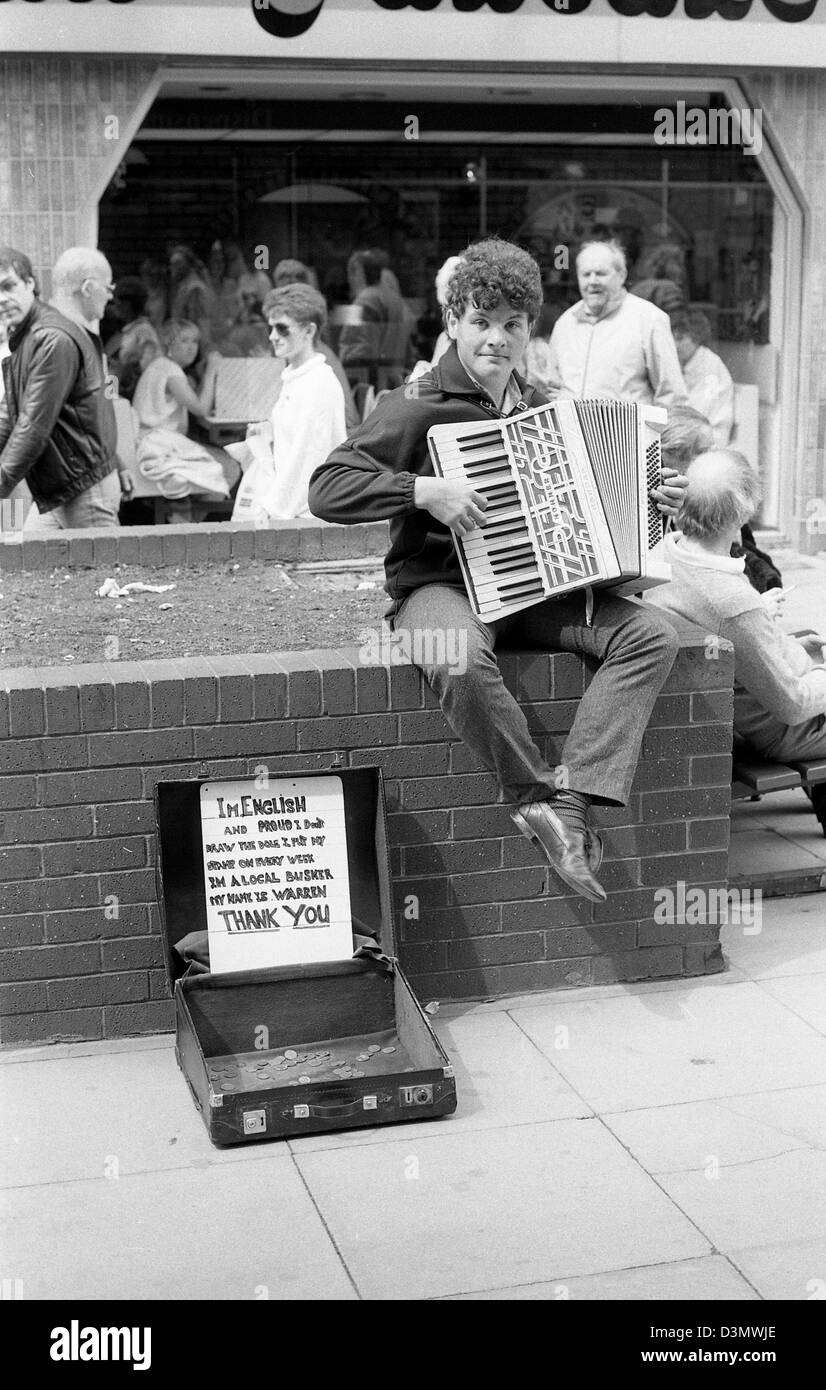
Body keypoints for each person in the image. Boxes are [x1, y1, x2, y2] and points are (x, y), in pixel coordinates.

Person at [309, 238, 688, 903]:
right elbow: (326, 487)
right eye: (481, 321)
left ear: (529, 331)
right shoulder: (417, 404)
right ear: (454, 321)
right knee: (453, 652)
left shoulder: (543, 402)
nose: (496, 338)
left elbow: (590, 513)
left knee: (650, 633)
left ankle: (574, 807)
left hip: (533, 589)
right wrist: (422, 492)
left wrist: (657, 503)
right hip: (439, 587)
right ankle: (537, 798)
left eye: (513, 324)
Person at [646, 450, 826, 834]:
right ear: (744, 512)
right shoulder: (732, 602)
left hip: (756, 696)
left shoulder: (667, 554)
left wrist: (797, 652)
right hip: (788, 728)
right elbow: (793, 705)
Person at [0, 246, 120, 529]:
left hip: (83, 485)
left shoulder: (52, 338)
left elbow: (32, 426)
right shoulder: (31, 335)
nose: (1, 299)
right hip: (61, 486)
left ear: (30, 284)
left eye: (8, 286)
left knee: (105, 572)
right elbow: (11, 416)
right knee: (24, 562)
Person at [529, 239, 687, 410]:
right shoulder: (565, 323)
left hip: (630, 435)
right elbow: (553, 388)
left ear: (622, 275)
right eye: (586, 274)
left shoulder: (649, 320)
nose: (592, 281)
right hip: (571, 434)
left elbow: (672, 397)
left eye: (601, 274)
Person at [242, 284, 346, 520]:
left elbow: (307, 456)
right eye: (271, 328)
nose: (273, 336)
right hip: (296, 509)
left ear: (309, 331)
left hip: (306, 516)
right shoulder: (296, 376)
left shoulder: (318, 382)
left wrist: (274, 509)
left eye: (282, 328)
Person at [662, 405, 782, 594]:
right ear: (674, 453)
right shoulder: (662, 502)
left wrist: (765, 575)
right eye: (703, 451)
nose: (711, 458)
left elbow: (745, 545)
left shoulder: (715, 491)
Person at [132, 318, 233, 519]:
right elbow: (201, 409)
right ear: (169, 343)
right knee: (229, 467)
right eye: (184, 341)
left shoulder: (161, 366)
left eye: (195, 342)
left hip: (155, 440)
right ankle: (191, 525)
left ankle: (186, 520)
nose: (191, 347)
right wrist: (213, 370)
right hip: (159, 443)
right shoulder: (170, 370)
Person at [338, 248, 416, 388]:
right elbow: (408, 349)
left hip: (369, 385)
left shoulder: (365, 301)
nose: (349, 280)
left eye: (350, 273)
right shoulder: (395, 299)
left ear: (359, 272)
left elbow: (360, 352)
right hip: (394, 382)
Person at [669, 309, 734, 447]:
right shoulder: (684, 363)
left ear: (696, 338)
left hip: (710, 438)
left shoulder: (711, 366)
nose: (674, 345)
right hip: (690, 433)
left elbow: (700, 411)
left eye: (680, 339)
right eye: (672, 338)